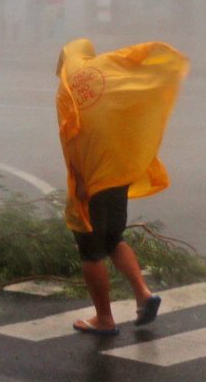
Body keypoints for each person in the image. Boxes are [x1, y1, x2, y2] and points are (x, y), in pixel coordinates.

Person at [56, 38, 189, 336]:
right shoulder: (107, 71)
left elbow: (71, 136)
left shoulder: (68, 89)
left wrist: (78, 184)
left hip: (92, 181)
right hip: (116, 175)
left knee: (90, 252)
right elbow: (133, 61)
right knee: (114, 237)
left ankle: (104, 319)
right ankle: (143, 293)